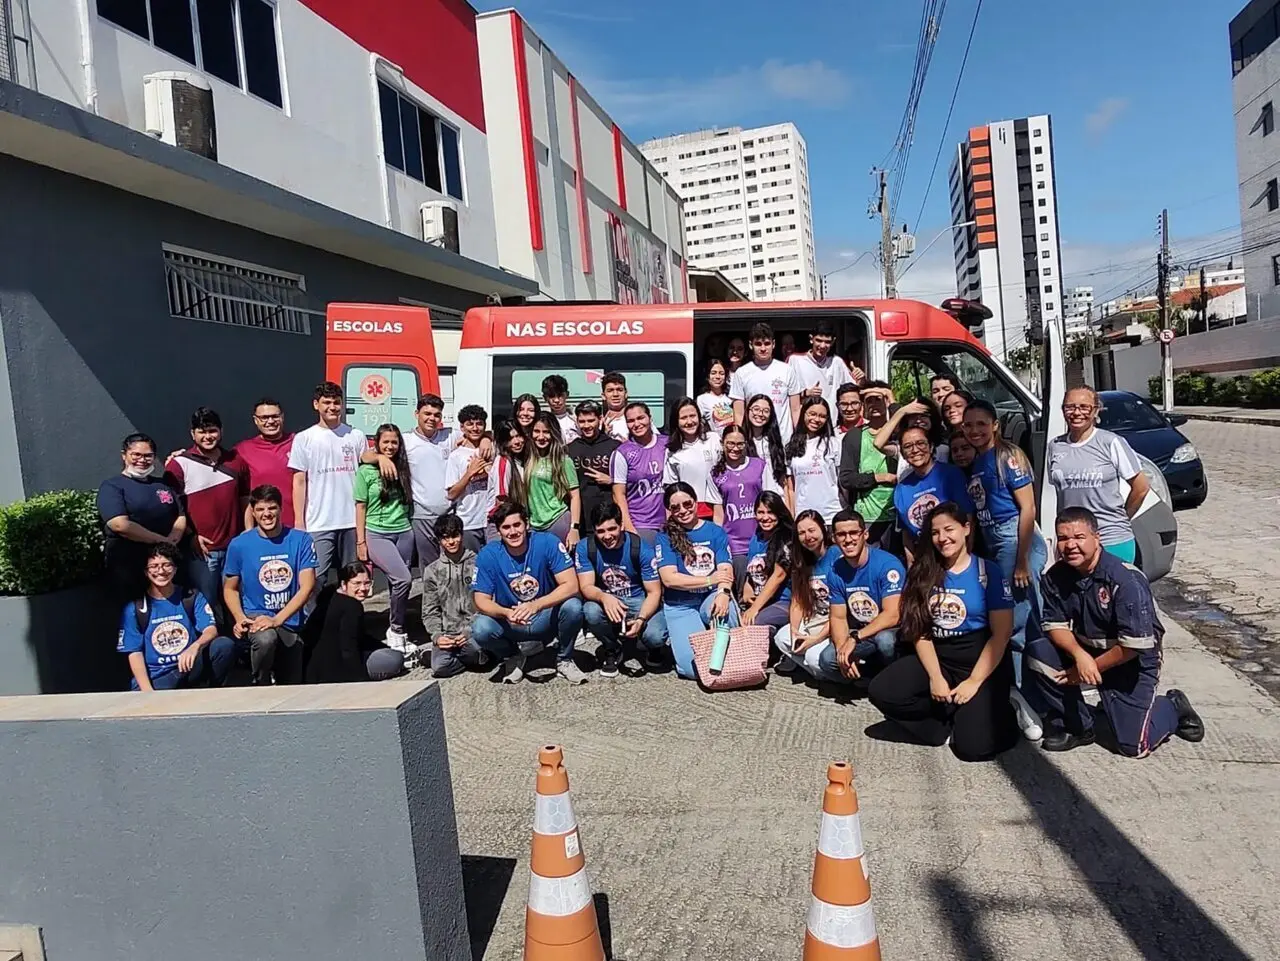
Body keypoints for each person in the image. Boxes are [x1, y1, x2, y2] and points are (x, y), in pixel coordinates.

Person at [1023, 508, 1204, 755]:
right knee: (1038, 651)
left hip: (1131, 660)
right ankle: (1079, 726)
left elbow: (1133, 646)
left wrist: (1092, 667)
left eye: (1079, 537)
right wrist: (1080, 657)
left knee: (1134, 746)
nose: (1070, 545)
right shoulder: (1056, 576)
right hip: (1089, 650)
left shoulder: (1125, 579)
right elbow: (1055, 625)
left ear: (1097, 538)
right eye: (1063, 538)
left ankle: (1172, 705)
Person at [868, 503, 1020, 762]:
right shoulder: (922, 573)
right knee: (882, 691)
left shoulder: (987, 572)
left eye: (949, 529)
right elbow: (921, 632)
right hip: (939, 653)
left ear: (966, 528)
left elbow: (1001, 634)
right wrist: (936, 677)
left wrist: (973, 682)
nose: (942, 538)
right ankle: (942, 725)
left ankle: (1008, 709)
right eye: (935, 532)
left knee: (973, 749)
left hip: (979, 656)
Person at [963, 399, 1048, 686]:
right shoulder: (977, 462)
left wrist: (1022, 560)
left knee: (1020, 622)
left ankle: (1030, 689)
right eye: (968, 425)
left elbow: (1028, 508)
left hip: (1015, 540)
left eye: (981, 424)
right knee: (1008, 618)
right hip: (996, 541)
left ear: (995, 426)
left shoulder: (1008, 457)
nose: (975, 430)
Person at [471, 501, 586, 684]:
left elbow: (571, 585)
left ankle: (565, 658)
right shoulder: (488, 554)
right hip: (512, 620)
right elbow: (480, 599)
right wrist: (506, 612)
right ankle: (513, 657)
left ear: (527, 524)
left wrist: (536, 604)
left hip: (545, 615)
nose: (513, 532)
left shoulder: (547, 542)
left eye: (517, 524)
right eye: (506, 527)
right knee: (480, 628)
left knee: (573, 606)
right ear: (499, 531)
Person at [223, 484, 317, 685]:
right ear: (253, 512)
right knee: (266, 640)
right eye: (260, 509)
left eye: (272, 508)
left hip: (289, 619)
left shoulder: (300, 540)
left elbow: (307, 587)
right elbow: (230, 588)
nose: (267, 514)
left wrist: (277, 620)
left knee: (292, 684)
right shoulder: (239, 544)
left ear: (281, 509)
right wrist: (239, 617)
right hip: (255, 617)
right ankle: (260, 683)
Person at [162, 407, 248, 623]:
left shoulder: (235, 461)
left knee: (237, 604)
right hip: (201, 552)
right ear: (193, 434)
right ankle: (209, 653)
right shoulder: (178, 464)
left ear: (221, 431)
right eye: (202, 431)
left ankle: (239, 652)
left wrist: (248, 535)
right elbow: (174, 508)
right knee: (207, 607)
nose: (208, 436)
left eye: (212, 430)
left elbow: (245, 500)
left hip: (234, 549)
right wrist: (191, 536)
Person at [1047, 387, 1150, 564]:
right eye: (1069, 407)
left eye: (1084, 407)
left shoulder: (1110, 442)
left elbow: (1141, 487)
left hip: (1111, 539)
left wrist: (1123, 518)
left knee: (1112, 591)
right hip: (1073, 542)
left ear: (1095, 410)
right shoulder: (1055, 446)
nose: (1076, 413)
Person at [394, 393, 491, 570]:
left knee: (455, 566)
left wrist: (486, 440)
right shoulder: (405, 441)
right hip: (422, 514)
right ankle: (432, 598)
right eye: (427, 414)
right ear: (417, 414)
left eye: (437, 415)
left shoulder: (449, 436)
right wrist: (380, 457)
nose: (432, 418)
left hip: (451, 512)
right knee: (430, 567)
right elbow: (374, 452)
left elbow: (477, 432)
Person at [118, 543, 233, 691]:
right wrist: (148, 692)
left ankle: (212, 694)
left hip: (188, 666)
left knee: (223, 646)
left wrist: (195, 646)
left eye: (167, 565)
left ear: (175, 569)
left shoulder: (190, 596)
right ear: (146, 572)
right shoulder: (136, 608)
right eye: (154, 566)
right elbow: (134, 653)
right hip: (157, 676)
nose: (161, 571)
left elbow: (211, 629)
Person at [655, 482, 740, 679]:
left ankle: (725, 654)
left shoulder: (714, 531)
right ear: (669, 510)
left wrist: (724, 593)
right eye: (675, 507)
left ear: (695, 503)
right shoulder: (664, 536)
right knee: (691, 669)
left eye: (687, 504)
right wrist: (711, 579)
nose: (683, 511)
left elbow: (725, 570)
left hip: (709, 597)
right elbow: (670, 579)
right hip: (680, 604)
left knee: (727, 612)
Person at [288, 382, 368, 585]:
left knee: (352, 578)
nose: (332, 407)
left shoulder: (355, 435)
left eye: (336, 402)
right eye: (326, 402)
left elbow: (367, 471)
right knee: (316, 578)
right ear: (316, 404)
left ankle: (350, 616)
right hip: (319, 522)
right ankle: (315, 618)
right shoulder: (304, 438)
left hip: (351, 522)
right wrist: (299, 522)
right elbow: (299, 481)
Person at [576, 502, 667, 676]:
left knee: (655, 636)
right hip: (609, 598)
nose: (607, 536)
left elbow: (654, 592)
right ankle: (612, 647)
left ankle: (651, 645)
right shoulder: (586, 547)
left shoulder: (641, 548)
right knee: (590, 610)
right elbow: (586, 586)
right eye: (600, 531)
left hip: (639, 599)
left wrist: (641, 619)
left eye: (612, 529)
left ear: (622, 526)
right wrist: (604, 597)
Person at [99, 433, 185, 602]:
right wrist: (160, 540)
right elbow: (119, 525)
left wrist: (173, 540)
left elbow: (180, 515)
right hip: (129, 564)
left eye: (148, 456)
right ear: (124, 455)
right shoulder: (112, 486)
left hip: (166, 562)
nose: (142, 460)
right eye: (136, 455)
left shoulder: (162, 484)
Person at [354, 424, 415, 650]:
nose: (390, 446)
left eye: (394, 442)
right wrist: (361, 541)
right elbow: (360, 507)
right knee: (404, 579)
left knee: (397, 584)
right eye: (385, 442)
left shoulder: (404, 467)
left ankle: (397, 627)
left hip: (403, 532)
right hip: (377, 533)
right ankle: (396, 629)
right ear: (377, 443)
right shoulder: (366, 471)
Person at [827, 509, 905, 680]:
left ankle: (892, 678)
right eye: (841, 534)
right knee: (827, 660)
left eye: (854, 533)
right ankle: (865, 675)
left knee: (885, 642)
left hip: (889, 629)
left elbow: (893, 615)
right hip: (861, 631)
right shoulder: (835, 570)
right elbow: (838, 618)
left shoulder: (888, 564)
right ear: (834, 539)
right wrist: (843, 651)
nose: (848, 539)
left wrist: (854, 638)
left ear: (865, 534)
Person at [303, 563, 405, 683]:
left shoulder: (328, 597)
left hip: (311, 668)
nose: (363, 588)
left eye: (367, 583)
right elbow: (348, 647)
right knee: (395, 659)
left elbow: (358, 636)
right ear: (344, 584)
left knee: (385, 651)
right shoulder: (352, 606)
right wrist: (357, 680)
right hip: (335, 670)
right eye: (356, 583)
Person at [773, 511, 841, 678]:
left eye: (812, 530)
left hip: (833, 622)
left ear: (823, 530)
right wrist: (795, 631)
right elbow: (797, 602)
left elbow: (840, 612)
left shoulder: (837, 556)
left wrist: (815, 639)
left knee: (812, 658)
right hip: (813, 618)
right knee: (782, 638)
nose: (807, 536)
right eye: (801, 533)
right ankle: (819, 670)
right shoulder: (801, 560)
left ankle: (838, 676)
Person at [420, 514, 488, 679]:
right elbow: (429, 609)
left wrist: (468, 631)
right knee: (440, 669)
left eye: (455, 536)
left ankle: (474, 657)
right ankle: (442, 656)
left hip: (473, 632)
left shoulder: (479, 563)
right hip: (448, 634)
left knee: (476, 654)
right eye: (445, 538)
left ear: (462, 535)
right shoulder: (432, 571)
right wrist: (437, 636)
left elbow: (487, 603)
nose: (451, 542)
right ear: (439, 541)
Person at [894, 426, 974, 564]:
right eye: (908, 446)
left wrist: (965, 559)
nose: (915, 450)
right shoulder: (901, 489)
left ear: (931, 447)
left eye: (920, 443)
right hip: (924, 562)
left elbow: (969, 518)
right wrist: (911, 566)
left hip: (954, 557)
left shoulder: (951, 475)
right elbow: (906, 535)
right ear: (903, 453)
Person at [839, 382, 897, 547]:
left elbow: (906, 421)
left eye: (878, 399)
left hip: (897, 515)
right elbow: (847, 479)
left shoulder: (899, 432)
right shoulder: (854, 437)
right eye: (869, 401)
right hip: (868, 518)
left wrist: (890, 397)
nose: (874, 405)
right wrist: (879, 477)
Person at [711, 424, 766, 582]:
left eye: (740, 444)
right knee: (742, 588)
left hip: (759, 538)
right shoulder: (716, 473)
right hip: (735, 543)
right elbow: (718, 511)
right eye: (730, 443)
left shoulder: (759, 465)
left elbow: (769, 499)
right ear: (723, 443)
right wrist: (719, 542)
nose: (735, 448)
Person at [730, 322, 802, 442]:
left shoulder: (787, 370)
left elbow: (795, 409)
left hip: (784, 440)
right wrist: (740, 439)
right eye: (758, 344)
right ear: (751, 345)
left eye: (767, 344)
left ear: (773, 344)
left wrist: (798, 437)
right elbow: (738, 414)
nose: (763, 349)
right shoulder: (741, 373)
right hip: (754, 442)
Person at [235, 398, 297, 531]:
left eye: (275, 416)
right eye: (264, 417)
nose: (270, 421)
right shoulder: (242, 450)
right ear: (255, 420)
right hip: (261, 530)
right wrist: (179, 456)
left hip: (297, 528)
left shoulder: (299, 442)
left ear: (282, 417)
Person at [610, 402, 668, 543]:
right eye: (631, 421)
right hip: (640, 525)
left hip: (669, 524)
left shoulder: (667, 444)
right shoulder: (622, 453)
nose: (636, 424)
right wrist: (629, 527)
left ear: (650, 418)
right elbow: (618, 494)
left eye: (640, 418)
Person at [739, 491, 795, 634]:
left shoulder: (787, 538)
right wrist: (747, 588)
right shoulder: (756, 538)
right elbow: (751, 568)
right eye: (760, 512)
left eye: (770, 512)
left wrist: (755, 608)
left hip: (784, 601)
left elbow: (778, 576)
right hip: (760, 600)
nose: (765, 517)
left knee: (754, 622)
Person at [566, 401, 621, 544]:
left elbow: (630, 482)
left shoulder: (616, 447)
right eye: (582, 421)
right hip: (581, 520)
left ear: (600, 419)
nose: (586, 425)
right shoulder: (569, 450)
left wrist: (612, 479)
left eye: (591, 420)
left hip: (609, 520)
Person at [444, 405, 494, 552]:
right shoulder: (456, 456)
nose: (475, 428)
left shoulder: (492, 449)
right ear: (462, 427)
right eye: (470, 424)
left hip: (492, 521)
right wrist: (470, 473)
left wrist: (488, 438)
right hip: (468, 522)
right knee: (472, 565)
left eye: (479, 423)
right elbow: (451, 494)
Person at [526, 413, 581, 545]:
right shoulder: (529, 458)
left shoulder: (563, 461)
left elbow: (575, 496)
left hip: (557, 520)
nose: (541, 437)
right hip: (534, 525)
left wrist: (574, 528)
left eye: (546, 432)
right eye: (536, 431)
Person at [785, 397, 842, 524]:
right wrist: (793, 514)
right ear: (803, 413)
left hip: (831, 514)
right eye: (812, 414)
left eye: (822, 416)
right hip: (803, 516)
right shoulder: (791, 446)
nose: (816, 419)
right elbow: (791, 487)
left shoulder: (834, 444)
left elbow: (841, 481)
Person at [663, 396, 722, 516]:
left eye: (692, 416)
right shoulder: (672, 450)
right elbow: (671, 489)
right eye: (683, 418)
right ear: (676, 421)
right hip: (688, 512)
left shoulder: (714, 439)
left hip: (718, 509)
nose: (689, 422)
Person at [789, 318, 854, 413]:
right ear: (811, 339)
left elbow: (852, 390)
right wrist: (805, 393)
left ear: (833, 342)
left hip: (831, 424)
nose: (822, 346)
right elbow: (783, 392)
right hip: (805, 423)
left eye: (827, 342)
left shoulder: (837, 362)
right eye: (819, 340)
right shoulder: (795, 360)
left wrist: (861, 380)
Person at [874, 396, 949, 474]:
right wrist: (901, 412)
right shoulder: (903, 448)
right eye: (913, 416)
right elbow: (878, 444)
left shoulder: (945, 450)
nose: (918, 420)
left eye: (923, 415)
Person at [487, 418, 529, 538]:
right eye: (510, 439)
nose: (516, 442)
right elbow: (502, 500)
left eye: (518, 436)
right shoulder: (503, 462)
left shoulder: (520, 460)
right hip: (503, 523)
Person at [744, 394, 790, 495]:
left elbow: (783, 480)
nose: (760, 414)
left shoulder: (775, 441)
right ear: (748, 411)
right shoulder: (742, 442)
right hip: (753, 499)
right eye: (756, 409)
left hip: (777, 498)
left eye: (766, 411)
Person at [697, 358, 736, 436]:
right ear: (708, 376)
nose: (717, 377)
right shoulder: (702, 399)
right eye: (713, 373)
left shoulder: (732, 397)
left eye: (721, 373)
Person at [542, 374, 579, 443]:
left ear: (567, 394)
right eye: (551, 396)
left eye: (560, 395)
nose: (556, 400)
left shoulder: (577, 419)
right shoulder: (541, 421)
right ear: (545, 398)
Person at [601, 372, 631, 441]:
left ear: (626, 394)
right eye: (610, 390)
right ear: (603, 396)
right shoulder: (598, 422)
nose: (615, 394)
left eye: (619, 390)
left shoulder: (637, 419)